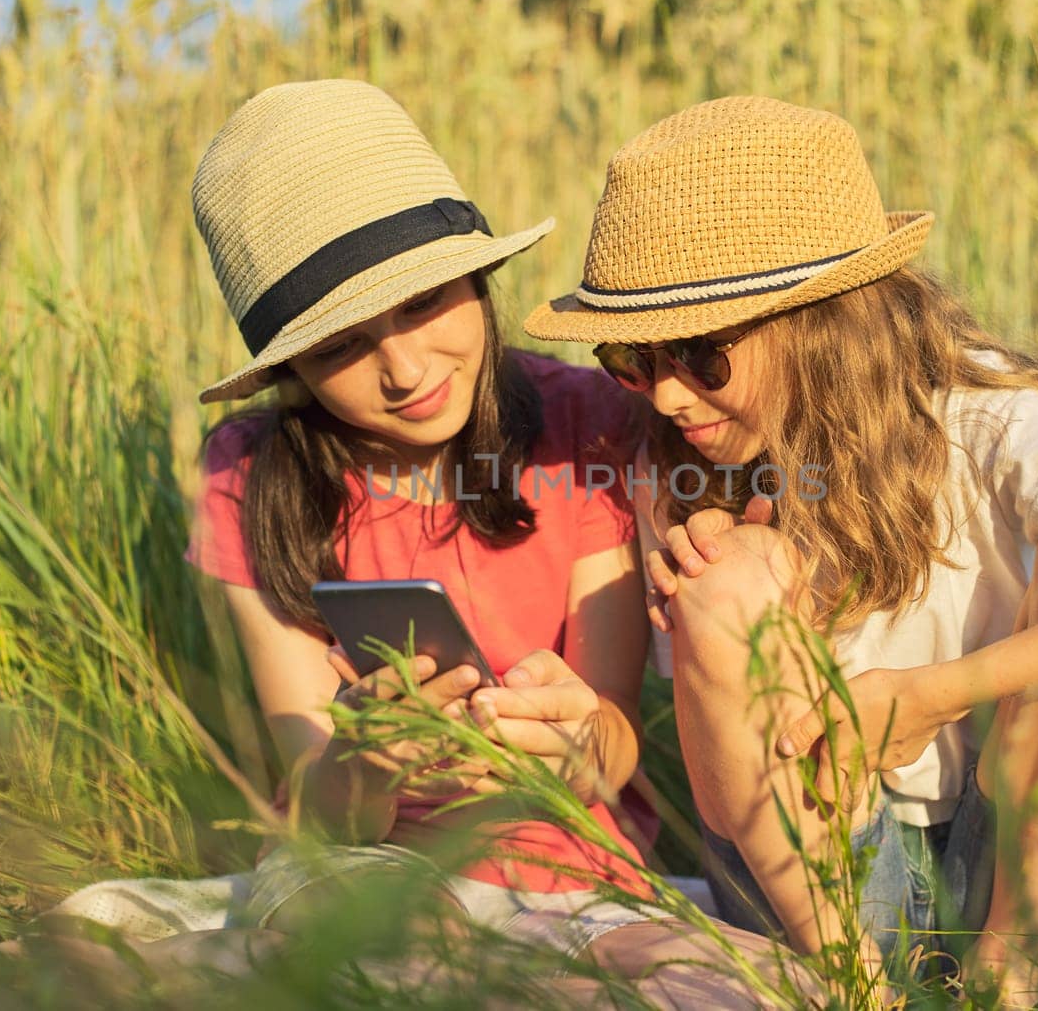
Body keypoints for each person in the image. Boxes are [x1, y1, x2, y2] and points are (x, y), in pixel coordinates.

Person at [522, 95, 1038, 1005]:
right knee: (722, 584)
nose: (667, 398)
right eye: (634, 361)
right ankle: (856, 990)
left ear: (822, 322)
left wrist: (930, 696)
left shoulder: (990, 423)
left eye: (699, 354)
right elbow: (730, 779)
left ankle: (1012, 982)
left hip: (1028, 871)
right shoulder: (678, 472)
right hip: (817, 895)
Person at [183, 80, 811, 1007]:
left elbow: (611, 743)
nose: (402, 370)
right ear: (289, 372)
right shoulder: (250, 471)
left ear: (476, 281)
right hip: (355, 869)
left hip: (572, 864)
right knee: (407, 960)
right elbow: (316, 795)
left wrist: (573, 747)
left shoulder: (582, 426)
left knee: (744, 988)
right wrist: (366, 764)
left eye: (423, 302)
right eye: (338, 349)